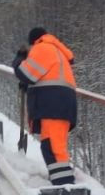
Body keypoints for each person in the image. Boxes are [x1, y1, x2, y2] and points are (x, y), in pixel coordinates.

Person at [12, 27, 77, 186]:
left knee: (53, 149)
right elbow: (45, 76)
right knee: (55, 147)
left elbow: (26, 74)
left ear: (33, 41)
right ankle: (63, 186)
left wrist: (19, 58)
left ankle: (65, 189)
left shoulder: (43, 48)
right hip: (59, 104)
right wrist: (29, 87)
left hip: (53, 105)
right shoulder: (56, 50)